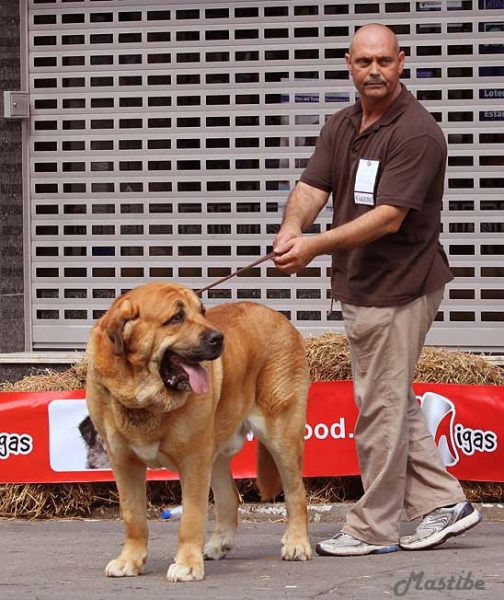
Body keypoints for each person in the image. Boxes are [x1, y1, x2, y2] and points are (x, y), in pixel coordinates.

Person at [273, 23, 482, 557]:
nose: (374, 71)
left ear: (402, 62)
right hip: (362, 286)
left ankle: (373, 528)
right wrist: (292, 228)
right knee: (389, 400)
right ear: (349, 63)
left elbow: (388, 218)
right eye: (364, 62)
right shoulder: (342, 125)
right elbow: (311, 187)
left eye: (384, 61)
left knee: (380, 410)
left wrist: (316, 247)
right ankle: (444, 503)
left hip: (401, 287)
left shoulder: (417, 132)